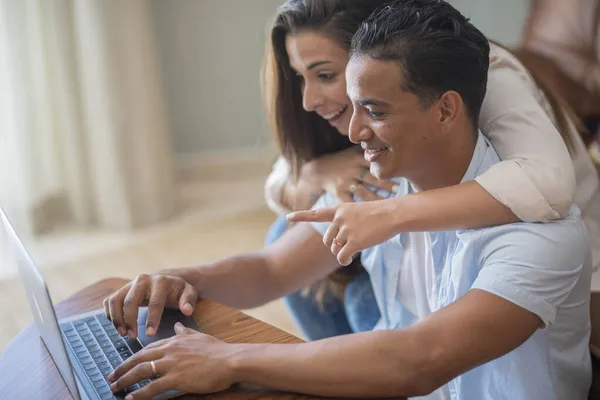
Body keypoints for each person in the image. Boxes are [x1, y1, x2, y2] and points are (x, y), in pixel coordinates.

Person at [105, 1, 591, 398]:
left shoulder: (537, 235)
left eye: (374, 111)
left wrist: (230, 358)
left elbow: (417, 360)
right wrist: (181, 279)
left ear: (445, 110)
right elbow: (272, 269)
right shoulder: (387, 178)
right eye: (354, 105)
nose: (353, 131)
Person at [262, 0, 600, 342]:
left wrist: (390, 214)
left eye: (325, 75)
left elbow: (548, 184)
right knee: (289, 233)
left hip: (561, 271)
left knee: (362, 300)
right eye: (299, 76)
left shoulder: (486, 76)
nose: (308, 101)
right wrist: (314, 173)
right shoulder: (337, 100)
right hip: (449, 240)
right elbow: (279, 180)